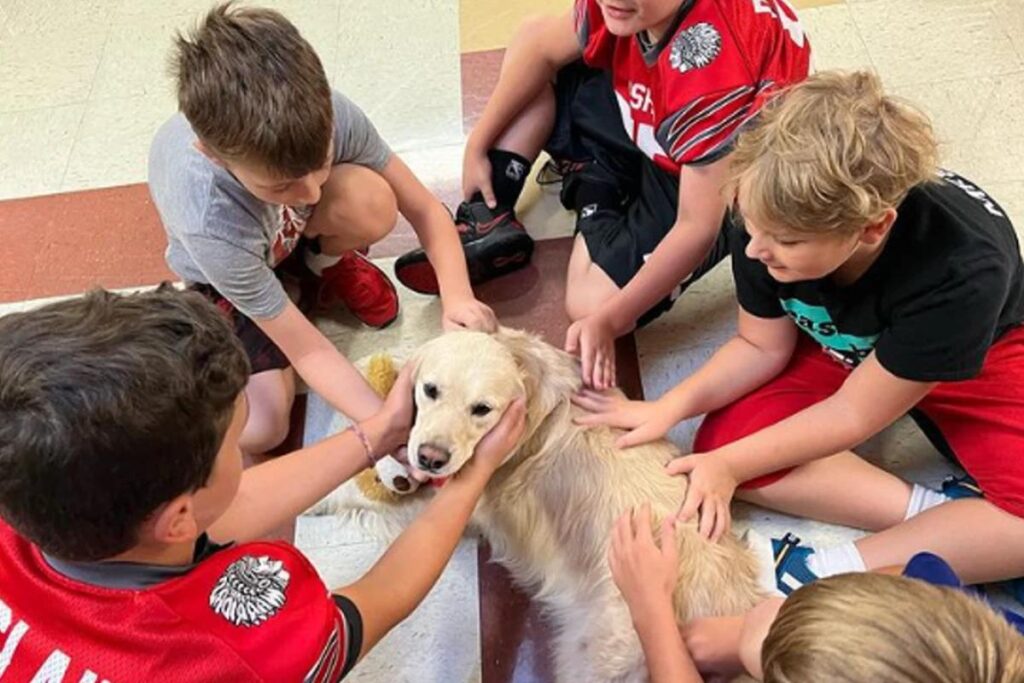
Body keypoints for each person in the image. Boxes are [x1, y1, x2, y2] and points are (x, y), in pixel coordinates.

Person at [576, 70, 1024, 593]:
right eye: (750, 224)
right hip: (849, 339)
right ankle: (940, 515)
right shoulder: (767, 216)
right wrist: (669, 407)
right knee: (723, 443)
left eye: (784, 241)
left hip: (982, 351)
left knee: (733, 461)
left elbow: (855, 411)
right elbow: (759, 344)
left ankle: (825, 573)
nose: (753, 251)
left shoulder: (963, 268)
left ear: (872, 228)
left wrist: (729, 467)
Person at [0, 286, 525, 681]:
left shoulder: (26, 474)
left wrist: (379, 431)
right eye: (235, 444)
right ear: (178, 517)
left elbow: (217, 509)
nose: (243, 451)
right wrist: (471, 478)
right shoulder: (236, 650)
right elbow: (380, 599)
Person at [396, 0, 810, 389]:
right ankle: (489, 211)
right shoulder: (634, 8)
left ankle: (595, 182)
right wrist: (478, 143)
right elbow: (539, 46)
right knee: (533, 43)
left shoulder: (708, 73)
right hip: (652, 118)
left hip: (703, 180)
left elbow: (697, 226)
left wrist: (610, 321)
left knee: (591, 305)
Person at [149, 4, 496, 456]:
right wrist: (386, 426)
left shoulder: (326, 112)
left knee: (372, 201)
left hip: (277, 236)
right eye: (283, 183)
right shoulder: (209, 220)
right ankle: (261, 296)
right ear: (214, 156)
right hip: (228, 266)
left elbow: (427, 211)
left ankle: (318, 266)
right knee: (264, 427)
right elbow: (310, 351)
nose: (313, 193)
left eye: (322, 164)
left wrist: (458, 297)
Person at [609, 508, 1024, 682]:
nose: (770, 602)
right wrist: (744, 637)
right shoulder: (987, 644)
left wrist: (651, 610)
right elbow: (912, 573)